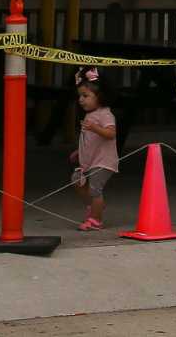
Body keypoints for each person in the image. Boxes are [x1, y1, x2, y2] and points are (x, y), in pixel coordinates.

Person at [70, 70, 118, 231]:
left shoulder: (105, 114)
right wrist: (79, 152)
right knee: (76, 180)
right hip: (90, 160)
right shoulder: (90, 115)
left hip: (103, 161)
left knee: (95, 189)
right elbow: (88, 140)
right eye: (80, 96)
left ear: (100, 97)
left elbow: (111, 134)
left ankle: (96, 220)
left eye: (85, 96)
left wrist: (95, 127)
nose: (81, 100)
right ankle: (95, 206)